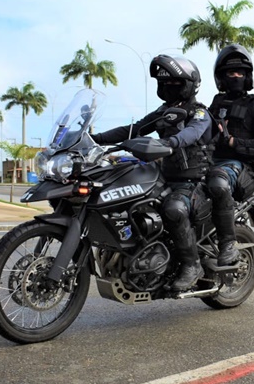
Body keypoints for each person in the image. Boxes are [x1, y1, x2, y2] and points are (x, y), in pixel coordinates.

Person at [91, 55, 214, 291]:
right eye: (164, 83)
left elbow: (193, 134)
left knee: (173, 209)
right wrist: (94, 139)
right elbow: (134, 130)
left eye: (174, 84)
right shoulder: (162, 112)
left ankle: (192, 265)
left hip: (193, 181)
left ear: (188, 85)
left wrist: (171, 142)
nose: (168, 88)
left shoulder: (199, 113)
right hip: (164, 176)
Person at [206, 44, 254, 266]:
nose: (236, 76)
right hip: (208, 161)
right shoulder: (215, 104)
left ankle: (227, 244)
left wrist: (234, 141)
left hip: (238, 167)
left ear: (247, 76)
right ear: (222, 77)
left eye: (240, 73)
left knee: (218, 182)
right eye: (230, 73)